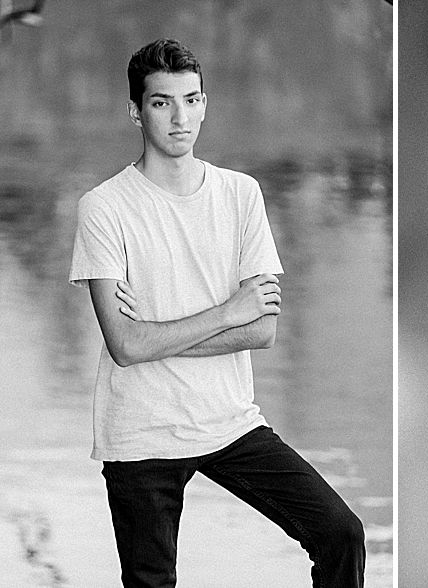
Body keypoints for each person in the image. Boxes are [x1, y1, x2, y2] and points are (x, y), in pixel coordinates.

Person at [68, 39, 364, 587]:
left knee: (340, 533)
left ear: (205, 103)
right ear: (135, 110)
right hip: (140, 432)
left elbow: (265, 329)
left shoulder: (240, 194)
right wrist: (229, 311)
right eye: (162, 103)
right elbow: (125, 347)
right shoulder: (103, 208)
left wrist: (158, 333)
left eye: (192, 99)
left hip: (230, 421)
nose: (181, 118)